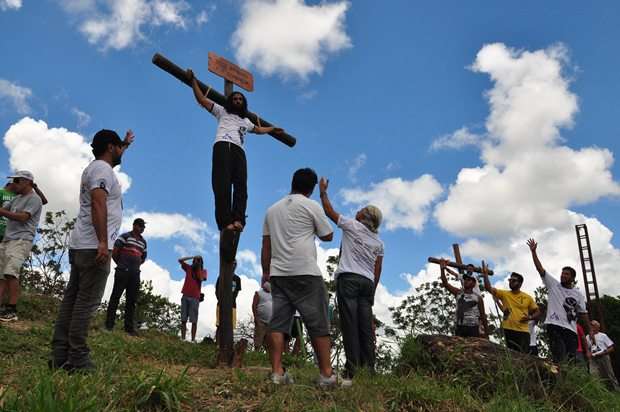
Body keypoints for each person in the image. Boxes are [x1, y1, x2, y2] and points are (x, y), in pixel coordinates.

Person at [50, 129, 134, 372]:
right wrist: (103, 243)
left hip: (81, 245)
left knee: (72, 301)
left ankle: (59, 355)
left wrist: (125, 144)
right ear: (110, 147)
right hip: (93, 246)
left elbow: (111, 164)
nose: (121, 151)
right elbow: (99, 202)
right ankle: (78, 359)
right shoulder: (101, 170)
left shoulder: (97, 168)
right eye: (118, 147)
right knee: (85, 304)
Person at [261, 168, 335, 386]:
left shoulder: (272, 210)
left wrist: (266, 273)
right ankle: (326, 375)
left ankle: (277, 373)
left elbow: (266, 246)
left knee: (278, 323)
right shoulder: (311, 205)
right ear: (311, 188)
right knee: (318, 322)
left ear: (292, 182)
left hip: (279, 274)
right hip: (305, 272)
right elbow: (328, 235)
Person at [187, 69, 285, 233]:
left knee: (241, 186)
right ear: (230, 101)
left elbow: (259, 130)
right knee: (222, 185)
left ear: (243, 102)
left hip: (239, 151)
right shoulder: (222, 111)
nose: (238, 100)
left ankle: (238, 219)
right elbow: (203, 100)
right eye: (235, 98)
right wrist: (193, 81)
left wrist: (273, 129)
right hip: (223, 146)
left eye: (240, 99)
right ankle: (225, 222)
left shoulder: (246, 121)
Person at [318, 177, 384, 384]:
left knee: (349, 324)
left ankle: (352, 371)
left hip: (349, 280)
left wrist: (323, 192)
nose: (358, 210)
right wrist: (372, 288)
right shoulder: (378, 242)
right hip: (367, 284)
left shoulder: (352, 225)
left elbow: (329, 211)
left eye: (361, 209)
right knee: (365, 326)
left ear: (364, 216)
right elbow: (378, 268)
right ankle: (370, 369)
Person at [527, 238, 595, 363]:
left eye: (567, 274)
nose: (563, 275)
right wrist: (533, 252)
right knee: (559, 356)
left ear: (573, 278)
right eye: (562, 273)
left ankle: (569, 382)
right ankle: (558, 380)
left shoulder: (578, 294)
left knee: (571, 360)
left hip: (571, 329)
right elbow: (540, 269)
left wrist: (590, 330)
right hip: (554, 325)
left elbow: (583, 314)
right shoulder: (553, 285)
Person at [0, 171, 44, 322]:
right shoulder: (16, 198)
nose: (14, 183)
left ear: (27, 182)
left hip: (21, 240)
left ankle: (12, 310)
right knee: (1, 276)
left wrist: (2, 211)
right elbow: (3, 210)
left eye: (17, 180)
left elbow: (24, 217)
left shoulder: (34, 199)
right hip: (7, 239)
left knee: (11, 273)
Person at [481, 264, 540, 353]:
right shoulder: (504, 294)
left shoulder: (528, 297)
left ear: (520, 283)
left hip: (523, 331)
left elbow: (538, 312)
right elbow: (488, 288)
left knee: (523, 357)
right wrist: (485, 275)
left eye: (514, 280)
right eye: (510, 280)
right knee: (511, 356)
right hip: (508, 330)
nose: (510, 282)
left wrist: (530, 318)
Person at [105, 218, 147, 336]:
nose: (142, 228)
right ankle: (109, 325)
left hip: (135, 273)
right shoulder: (124, 236)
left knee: (131, 300)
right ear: (134, 225)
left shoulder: (143, 242)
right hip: (122, 271)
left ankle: (129, 328)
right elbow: (115, 252)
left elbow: (143, 258)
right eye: (140, 226)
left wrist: (135, 265)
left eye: (143, 227)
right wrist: (122, 264)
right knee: (115, 297)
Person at [439, 259, 488, 338]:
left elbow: (483, 316)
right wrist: (443, 269)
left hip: (473, 328)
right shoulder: (458, 293)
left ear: (474, 283)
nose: (466, 281)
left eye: (469, 280)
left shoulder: (478, 298)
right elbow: (445, 283)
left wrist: (486, 333)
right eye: (465, 279)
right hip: (460, 327)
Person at [179, 255, 207, 342]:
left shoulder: (203, 271)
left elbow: (201, 278)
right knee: (183, 319)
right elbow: (180, 260)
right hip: (185, 295)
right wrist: (192, 257)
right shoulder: (188, 268)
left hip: (195, 297)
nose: (196, 262)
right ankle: (183, 338)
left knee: (194, 320)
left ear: (201, 262)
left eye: (198, 260)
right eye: (195, 260)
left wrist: (198, 267)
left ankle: (192, 339)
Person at [587, 320, 620, 391]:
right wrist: (589, 354)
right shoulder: (587, 337)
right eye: (591, 325)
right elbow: (588, 348)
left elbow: (611, 348)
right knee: (594, 375)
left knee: (609, 374)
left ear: (598, 327)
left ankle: (616, 390)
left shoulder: (603, 335)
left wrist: (604, 353)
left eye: (593, 325)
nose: (591, 327)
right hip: (593, 359)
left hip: (603, 357)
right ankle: (599, 392)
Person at [215, 261, 242, 340]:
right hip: (221, 304)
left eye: (235, 264)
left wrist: (230, 300)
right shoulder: (221, 276)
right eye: (232, 263)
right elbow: (217, 290)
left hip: (232, 305)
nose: (233, 265)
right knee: (219, 325)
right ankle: (218, 344)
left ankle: (229, 346)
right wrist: (221, 300)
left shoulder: (237, 279)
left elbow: (236, 292)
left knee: (230, 327)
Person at [252, 281, 272, 351]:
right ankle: (256, 354)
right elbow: (254, 306)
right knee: (258, 340)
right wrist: (256, 318)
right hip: (261, 321)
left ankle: (267, 357)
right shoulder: (258, 293)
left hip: (270, 323)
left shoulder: (273, 295)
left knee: (268, 343)